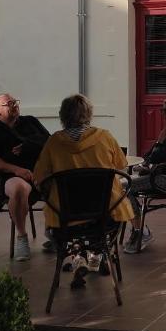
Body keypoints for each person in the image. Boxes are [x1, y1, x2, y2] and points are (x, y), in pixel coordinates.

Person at [33, 94, 134, 288]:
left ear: (63, 115)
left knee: (71, 228)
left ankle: (80, 258)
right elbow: (121, 165)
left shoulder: (54, 143)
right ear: (89, 114)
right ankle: (96, 255)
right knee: (105, 221)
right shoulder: (104, 137)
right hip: (106, 214)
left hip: (67, 216)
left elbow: (40, 176)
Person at [0, 93, 50, 261]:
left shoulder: (31, 122)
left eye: (15, 102)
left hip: (41, 172)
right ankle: (22, 237)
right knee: (18, 188)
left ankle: (53, 231)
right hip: (11, 176)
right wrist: (16, 169)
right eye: (9, 103)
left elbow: (50, 142)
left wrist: (28, 147)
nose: (14, 105)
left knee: (65, 182)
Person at [123, 95, 166, 254]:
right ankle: (138, 228)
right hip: (160, 175)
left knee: (123, 187)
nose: (163, 114)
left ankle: (141, 231)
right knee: (125, 184)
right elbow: (149, 156)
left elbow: (155, 158)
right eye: (162, 111)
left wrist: (161, 138)